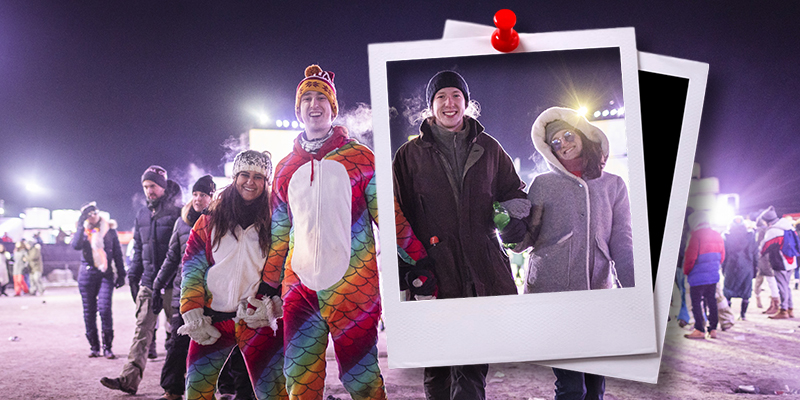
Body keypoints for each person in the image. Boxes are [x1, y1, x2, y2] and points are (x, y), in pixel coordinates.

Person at [392, 70, 529, 399]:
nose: (449, 103)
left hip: (480, 274)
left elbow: (516, 194)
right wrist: (410, 269)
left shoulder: (489, 148)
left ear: (467, 104)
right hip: (433, 277)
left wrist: (511, 222)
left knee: (471, 374)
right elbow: (397, 216)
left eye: (456, 96)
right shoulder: (408, 157)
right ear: (430, 107)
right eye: (441, 97)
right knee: (437, 372)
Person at [261, 64, 386, 400]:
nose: (314, 105)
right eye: (307, 99)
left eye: (321, 98)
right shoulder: (286, 168)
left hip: (353, 288)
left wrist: (415, 261)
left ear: (333, 108)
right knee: (299, 381)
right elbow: (279, 234)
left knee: (362, 381)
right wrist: (268, 283)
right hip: (300, 290)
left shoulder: (361, 158)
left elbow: (390, 218)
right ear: (298, 110)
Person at [522, 106, 634, 400]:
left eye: (568, 135)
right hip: (553, 296)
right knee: (572, 387)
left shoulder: (613, 185)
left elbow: (622, 241)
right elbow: (523, 241)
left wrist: (636, 288)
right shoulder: (542, 184)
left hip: (597, 296)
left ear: (583, 135)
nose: (563, 144)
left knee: (595, 387)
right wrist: (509, 227)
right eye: (555, 142)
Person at [179, 150, 286, 400]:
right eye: (245, 175)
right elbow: (192, 266)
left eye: (258, 177)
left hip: (256, 318)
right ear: (235, 176)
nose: (250, 182)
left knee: (273, 393)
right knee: (197, 391)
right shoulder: (209, 220)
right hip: (213, 319)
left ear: (267, 182)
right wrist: (191, 308)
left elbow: (283, 267)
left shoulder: (276, 222)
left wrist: (274, 303)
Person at [101, 165, 182, 395]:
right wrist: (133, 274)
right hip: (148, 282)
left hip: (172, 284)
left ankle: (190, 383)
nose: (149, 191)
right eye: (146, 187)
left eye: (153, 186)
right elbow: (138, 249)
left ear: (163, 187)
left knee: (180, 336)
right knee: (141, 332)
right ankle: (128, 380)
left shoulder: (178, 212)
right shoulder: (142, 214)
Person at [73, 202, 127, 358]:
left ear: (98, 213)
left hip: (105, 273)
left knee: (104, 310)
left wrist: (121, 274)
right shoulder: (82, 231)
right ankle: (94, 347)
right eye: (88, 214)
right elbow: (75, 245)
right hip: (86, 274)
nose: (92, 216)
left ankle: (108, 347)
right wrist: (80, 225)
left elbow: (117, 253)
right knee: (89, 312)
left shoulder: (109, 230)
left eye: (94, 213)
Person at [683, 210, 725, 339]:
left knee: (696, 302)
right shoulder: (717, 234)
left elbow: (690, 258)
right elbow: (722, 256)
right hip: (713, 276)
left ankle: (699, 329)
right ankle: (713, 329)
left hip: (697, 277)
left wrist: (686, 271)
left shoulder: (696, 236)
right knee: (711, 301)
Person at [757, 206, 797, 319]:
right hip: (791, 259)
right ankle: (790, 309)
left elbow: (763, 248)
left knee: (782, 286)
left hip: (780, 261)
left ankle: (783, 310)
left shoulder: (773, 231)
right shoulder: (788, 226)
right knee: (787, 285)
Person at [721, 216, 758, 320]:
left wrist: (723, 267)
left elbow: (724, 254)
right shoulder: (750, 236)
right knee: (746, 291)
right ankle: (743, 315)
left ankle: (728, 315)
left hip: (731, 266)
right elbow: (755, 253)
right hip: (747, 266)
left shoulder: (726, 236)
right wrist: (755, 267)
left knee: (728, 291)